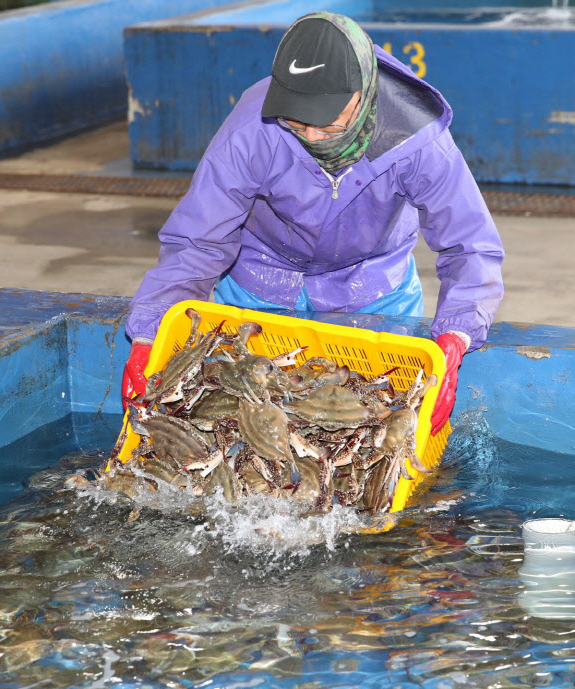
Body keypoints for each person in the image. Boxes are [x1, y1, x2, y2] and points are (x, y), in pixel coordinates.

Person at [121, 12, 504, 435]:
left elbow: (469, 244)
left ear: (363, 93)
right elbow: (199, 240)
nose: (310, 135)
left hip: (372, 287)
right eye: (295, 120)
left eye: (325, 120)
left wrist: (456, 335)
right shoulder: (253, 128)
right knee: (240, 422)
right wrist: (149, 332)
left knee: (382, 421)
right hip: (259, 281)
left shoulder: (417, 138)